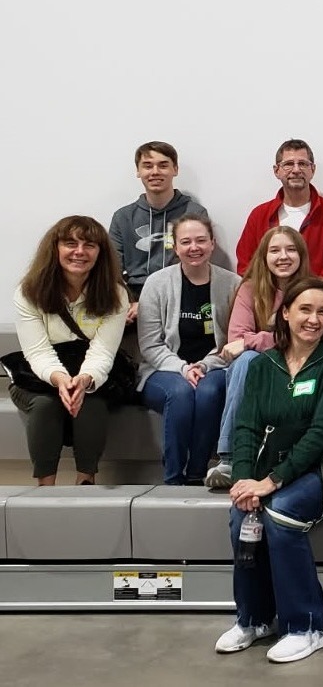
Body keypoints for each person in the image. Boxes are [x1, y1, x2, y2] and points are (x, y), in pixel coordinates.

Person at [217, 277, 323, 664]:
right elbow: (246, 427)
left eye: (322, 311)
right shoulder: (263, 365)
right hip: (283, 467)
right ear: (284, 314)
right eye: (305, 309)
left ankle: (310, 625)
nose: (314, 319)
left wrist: (270, 481)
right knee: (243, 516)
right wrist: (242, 480)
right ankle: (254, 618)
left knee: (282, 512)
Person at [9, 216, 129, 485]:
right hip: (40, 375)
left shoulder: (116, 294)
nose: (79, 251)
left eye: (89, 245)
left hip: (91, 372)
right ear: (55, 249)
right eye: (70, 243)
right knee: (44, 405)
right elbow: (37, 351)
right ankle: (45, 488)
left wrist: (84, 380)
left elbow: (103, 351)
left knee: (91, 402)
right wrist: (60, 379)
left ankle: (86, 483)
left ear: (100, 252)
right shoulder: (28, 292)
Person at [136, 214, 239, 485]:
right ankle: (173, 478)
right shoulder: (156, 283)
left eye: (201, 240)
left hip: (215, 366)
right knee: (181, 393)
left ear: (213, 244)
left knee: (207, 392)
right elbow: (150, 345)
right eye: (186, 242)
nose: (194, 247)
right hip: (162, 370)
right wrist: (183, 368)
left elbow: (233, 340)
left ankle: (197, 473)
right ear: (175, 246)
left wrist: (204, 366)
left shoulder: (232, 284)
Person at [206, 228, 311, 489]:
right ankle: (229, 459)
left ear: (301, 255)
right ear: (264, 256)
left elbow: (306, 337)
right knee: (245, 362)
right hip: (261, 368)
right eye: (275, 250)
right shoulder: (249, 289)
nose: (283, 256)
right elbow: (235, 339)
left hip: (302, 364)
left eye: (290, 250)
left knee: (247, 356)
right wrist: (274, 338)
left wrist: (257, 339)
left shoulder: (313, 289)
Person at [108, 141, 205, 321]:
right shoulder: (123, 217)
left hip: (181, 296)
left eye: (163, 165)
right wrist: (127, 303)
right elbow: (112, 270)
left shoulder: (194, 213)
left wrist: (148, 305)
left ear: (175, 169)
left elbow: (197, 266)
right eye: (147, 166)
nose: (155, 172)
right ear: (138, 171)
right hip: (132, 300)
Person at [235, 139, 323, 277]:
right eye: (288, 164)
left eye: (303, 164)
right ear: (276, 171)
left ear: (313, 170)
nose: (296, 170)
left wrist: (310, 294)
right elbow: (246, 265)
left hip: (315, 296)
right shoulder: (259, 215)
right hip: (267, 296)